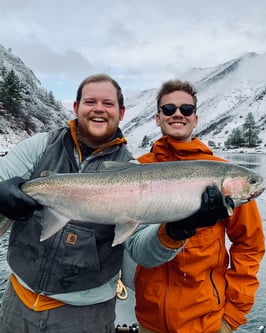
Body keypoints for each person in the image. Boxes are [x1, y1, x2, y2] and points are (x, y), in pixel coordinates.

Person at [0, 73, 183, 333]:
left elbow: (142, 251)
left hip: (87, 314)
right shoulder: (40, 146)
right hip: (17, 299)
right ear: (76, 108)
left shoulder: (133, 173)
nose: (99, 109)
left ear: (121, 112)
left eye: (108, 104)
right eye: (90, 102)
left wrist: (176, 232)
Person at [125, 80, 265, 333]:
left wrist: (233, 316)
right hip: (149, 320)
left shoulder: (223, 174)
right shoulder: (136, 169)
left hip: (207, 323)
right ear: (157, 118)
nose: (177, 114)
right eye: (168, 109)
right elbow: (134, 245)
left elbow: (250, 246)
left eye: (186, 109)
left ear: (195, 118)